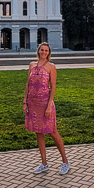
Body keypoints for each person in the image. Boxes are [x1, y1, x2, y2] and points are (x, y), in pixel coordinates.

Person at [24, 42, 70, 175]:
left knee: (53, 132)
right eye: (42, 50)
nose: (43, 52)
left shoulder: (51, 67)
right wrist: (25, 102)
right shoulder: (32, 65)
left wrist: (49, 105)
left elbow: (53, 87)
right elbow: (28, 84)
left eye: (46, 51)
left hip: (45, 104)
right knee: (38, 132)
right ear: (38, 51)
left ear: (49, 53)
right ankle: (44, 164)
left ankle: (65, 162)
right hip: (33, 103)